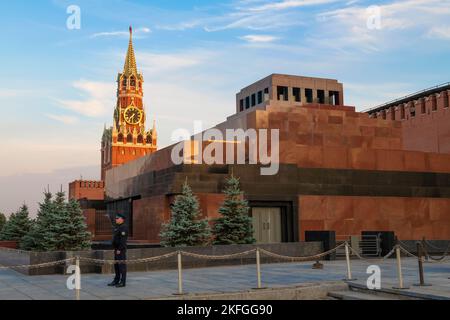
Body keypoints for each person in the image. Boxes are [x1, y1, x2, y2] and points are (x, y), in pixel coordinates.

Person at [108, 213, 128, 287]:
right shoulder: (118, 227)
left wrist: (119, 249)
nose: (115, 219)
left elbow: (123, 240)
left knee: (122, 266)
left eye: (117, 218)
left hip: (121, 250)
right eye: (116, 218)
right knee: (116, 266)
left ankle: (123, 282)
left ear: (121, 219)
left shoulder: (124, 227)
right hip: (117, 249)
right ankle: (116, 280)